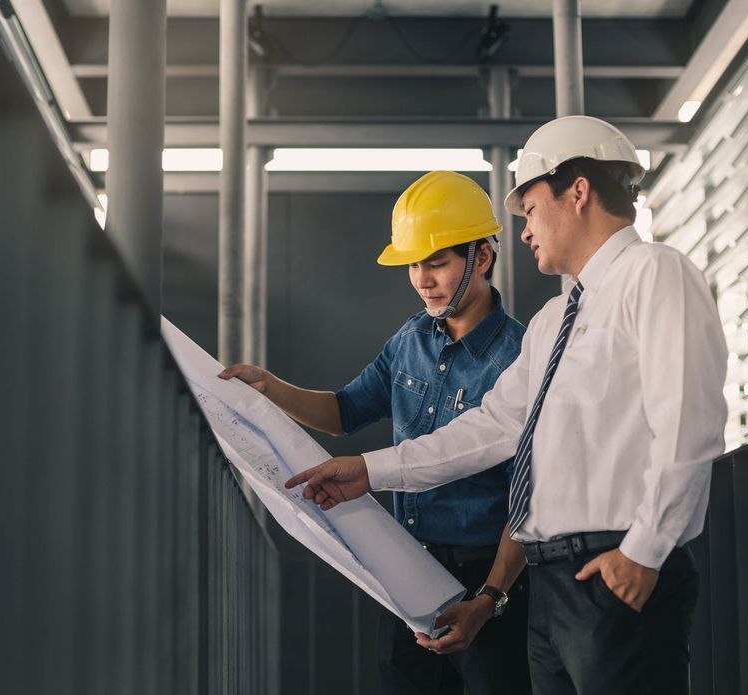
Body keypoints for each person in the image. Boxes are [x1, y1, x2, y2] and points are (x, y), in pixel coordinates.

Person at [285, 116, 729, 695]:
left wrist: (645, 552)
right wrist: (370, 470)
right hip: (552, 581)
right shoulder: (554, 320)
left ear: (579, 192)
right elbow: (492, 428)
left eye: (531, 211)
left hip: (616, 565)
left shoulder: (656, 274)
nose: (524, 232)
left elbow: (689, 424)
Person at [219, 170, 533, 695]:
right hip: (405, 569)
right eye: (413, 263)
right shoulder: (409, 340)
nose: (421, 279)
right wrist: (271, 388)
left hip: (487, 576)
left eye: (436, 262)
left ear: (481, 256)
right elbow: (345, 412)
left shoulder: (521, 358)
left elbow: (531, 494)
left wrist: (492, 596)